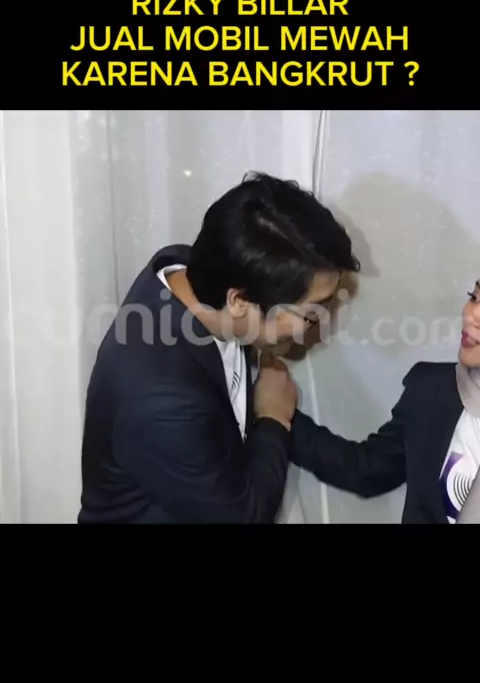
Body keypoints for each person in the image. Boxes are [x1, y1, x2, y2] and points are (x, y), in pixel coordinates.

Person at [78, 172, 359, 523]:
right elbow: (242, 515)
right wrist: (273, 418)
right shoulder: (160, 398)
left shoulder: (195, 275)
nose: (320, 324)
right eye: (311, 312)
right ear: (239, 301)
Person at [291, 280, 480, 523]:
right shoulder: (433, 390)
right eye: (474, 297)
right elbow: (367, 470)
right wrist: (278, 417)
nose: (471, 314)